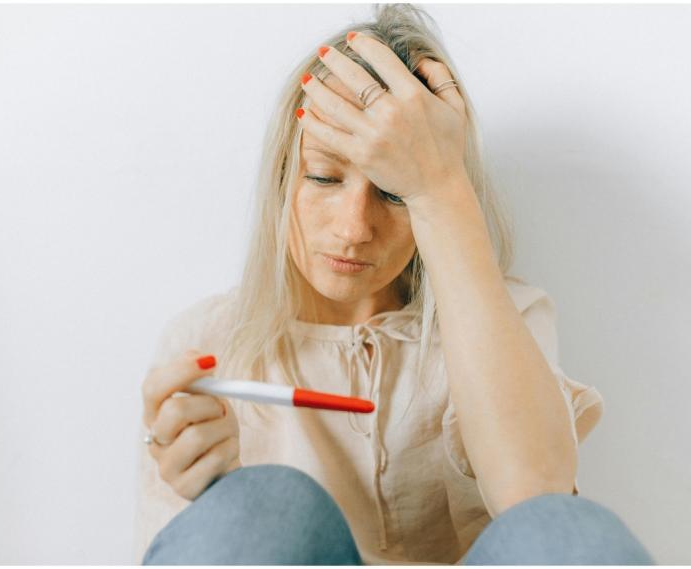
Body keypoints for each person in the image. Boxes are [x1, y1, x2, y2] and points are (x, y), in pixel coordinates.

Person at [134, 4, 655, 565]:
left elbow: (538, 500)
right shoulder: (206, 340)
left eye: (394, 192)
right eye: (324, 177)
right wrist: (215, 497)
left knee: (568, 529)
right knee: (261, 504)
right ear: (282, 175)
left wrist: (438, 187)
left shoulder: (508, 318)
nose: (354, 230)